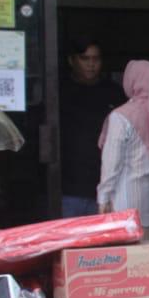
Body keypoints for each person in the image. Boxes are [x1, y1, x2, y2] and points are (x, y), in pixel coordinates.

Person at [96, 60, 149, 242]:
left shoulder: (121, 118)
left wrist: (103, 198)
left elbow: (111, 165)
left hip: (127, 207)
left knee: (132, 265)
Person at [60, 37, 126, 217]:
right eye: (85, 59)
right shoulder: (59, 92)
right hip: (69, 188)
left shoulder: (114, 93)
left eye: (95, 59)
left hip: (106, 188)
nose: (91, 65)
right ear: (72, 60)